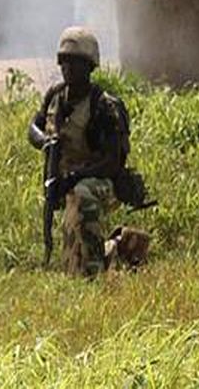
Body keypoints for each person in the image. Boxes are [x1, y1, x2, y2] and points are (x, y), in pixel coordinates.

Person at [27, 26, 131, 276]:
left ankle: (97, 266)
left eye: (75, 63)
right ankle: (117, 247)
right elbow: (33, 127)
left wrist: (75, 178)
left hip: (102, 184)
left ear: (90, 67)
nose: (68, 69)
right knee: (71, 265)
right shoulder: (55, 97)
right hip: (63, 182)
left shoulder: (103, 106)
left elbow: (112, 162)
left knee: (81, 195)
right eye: (64, 63)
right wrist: (46, 142)